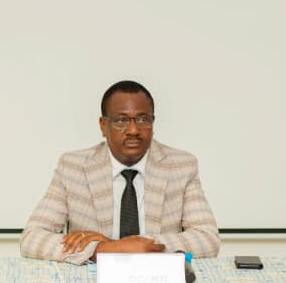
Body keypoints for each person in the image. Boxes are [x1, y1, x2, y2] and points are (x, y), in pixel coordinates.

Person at [21, 80, 219, 264]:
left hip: (156, 278)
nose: (133, 130)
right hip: (92, 282)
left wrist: (136, 245)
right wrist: (102, 249)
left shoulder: (181, 165)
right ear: (103, 125)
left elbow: (208, 239)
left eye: (143, 119)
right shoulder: (73, 167)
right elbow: (32, 238)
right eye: (121, 120)